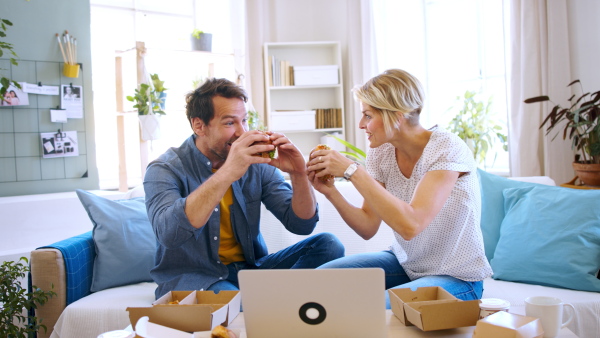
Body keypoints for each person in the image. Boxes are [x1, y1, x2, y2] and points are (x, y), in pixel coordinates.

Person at [307, 69, 492, 308]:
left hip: (458, 277)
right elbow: (367, 226)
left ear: (396, 116)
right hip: (406, 265)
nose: (361, 124)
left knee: (372, 309)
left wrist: (353, 171)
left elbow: (411, 225)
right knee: (317, 281)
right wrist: (331, 191)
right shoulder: (380, 151)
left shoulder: (446, 148)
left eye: (367, 115)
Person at [144, 77, 344, 299]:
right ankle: (273, 303)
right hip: (198, 277)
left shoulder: (256, 163)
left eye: (244, 121)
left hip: (251, 271)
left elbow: (301, 224)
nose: (242, 132)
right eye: (230, 123)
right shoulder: (164, 169)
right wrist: (228, 172)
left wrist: (297, 173)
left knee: (329, 245)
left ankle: (270, 302)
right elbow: (170, 234)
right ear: (199, 126)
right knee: (236, 302)